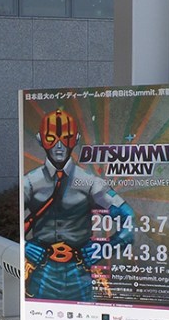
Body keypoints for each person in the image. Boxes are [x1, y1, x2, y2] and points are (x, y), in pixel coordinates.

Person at [23, 108, 134, 302]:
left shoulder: (90, 182)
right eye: (51, 138)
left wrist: (102, 249)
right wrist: (28, 249)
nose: (59, 146)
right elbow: (9, 222)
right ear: (41, 139)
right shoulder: (30, 183)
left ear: (75, 139)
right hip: (41, 273)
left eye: (66, 138)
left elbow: (129, 220)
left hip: (80, 274)